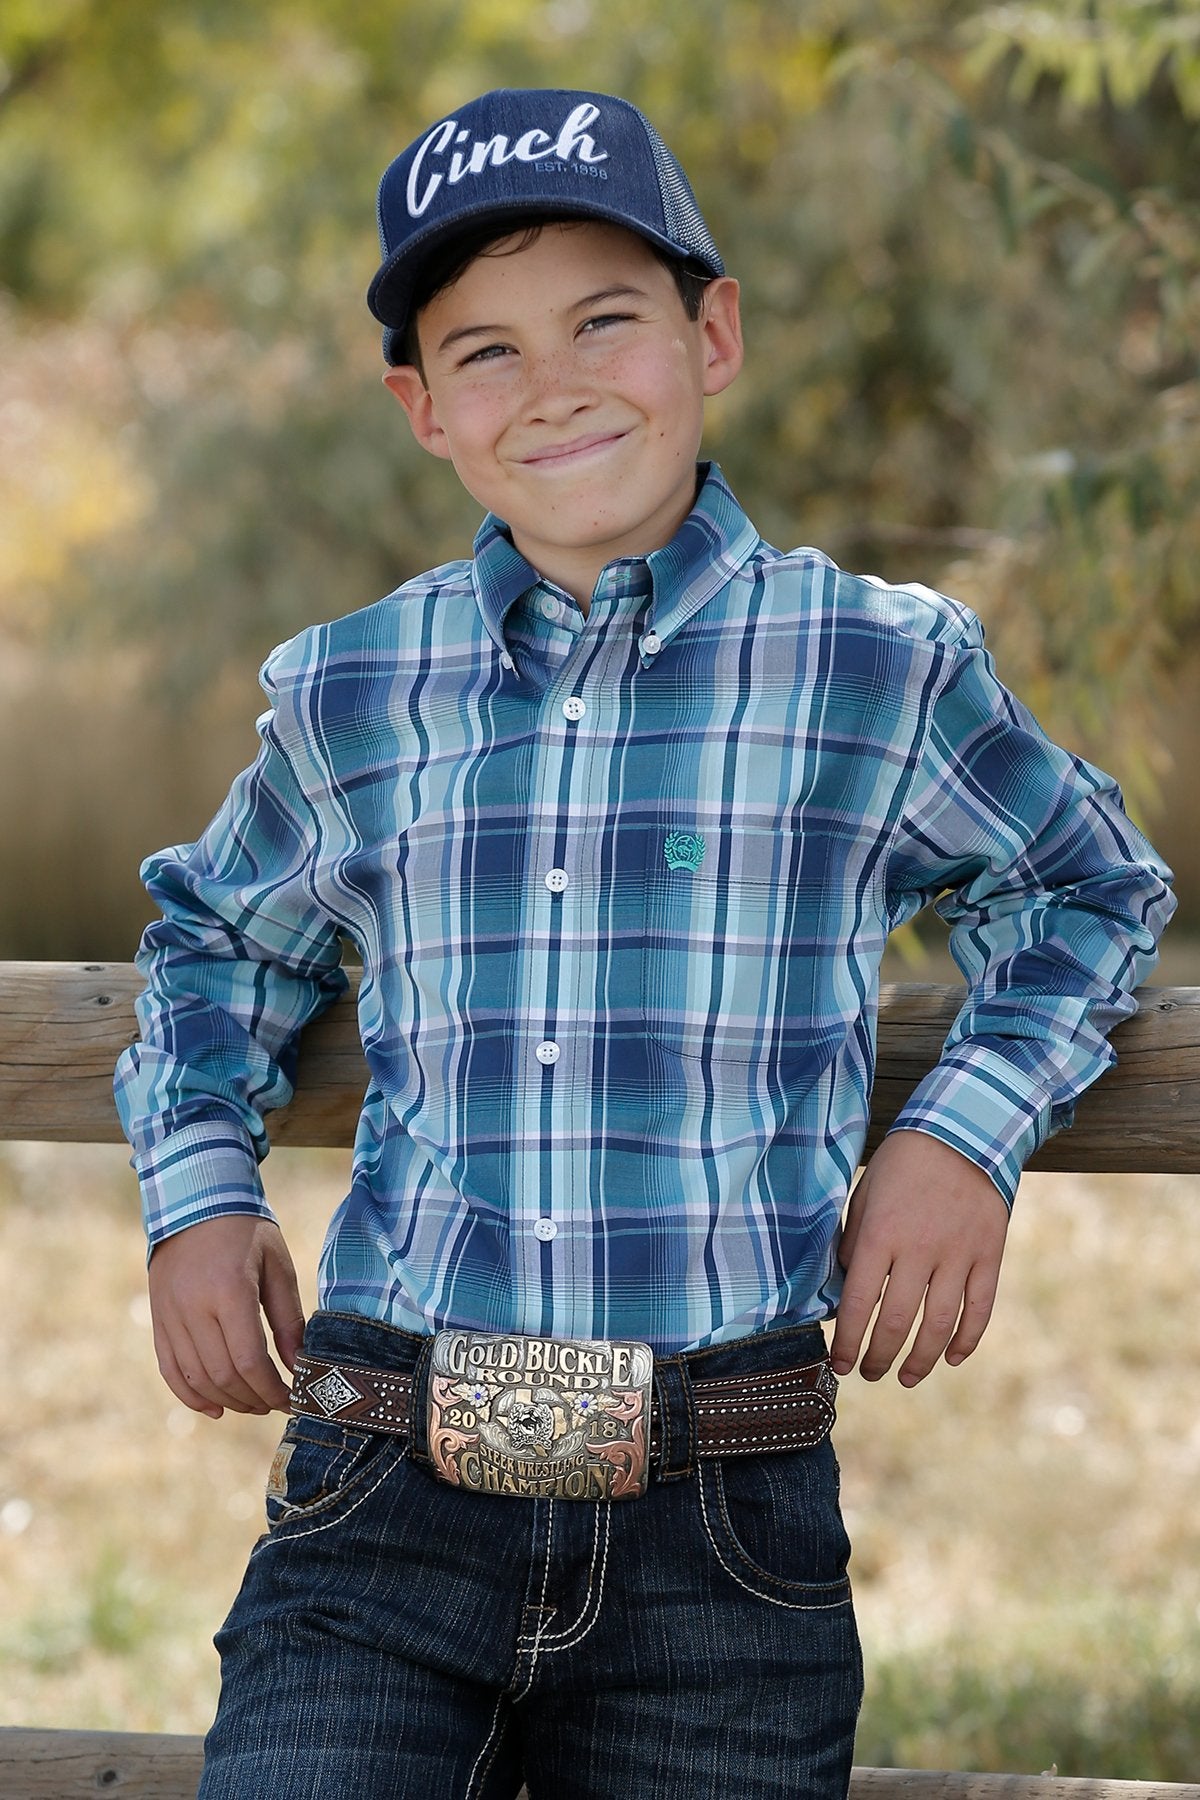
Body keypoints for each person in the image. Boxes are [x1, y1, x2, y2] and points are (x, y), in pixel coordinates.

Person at [114, 87, 1175, 1800]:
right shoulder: (354, 691)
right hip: (385, 1492)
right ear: (422, 409)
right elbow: (215, 948)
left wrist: (960, 1139)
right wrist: (198, 1197)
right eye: (486, 352)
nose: (554, 385)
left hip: (724, 1522)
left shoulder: (876, 667)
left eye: (605, 320)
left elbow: (1087, 891)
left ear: (713, 335)